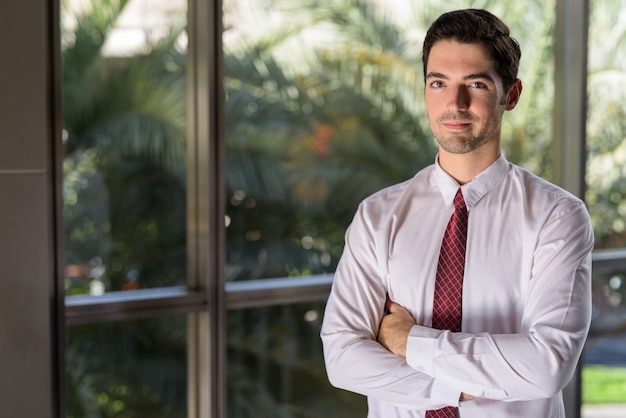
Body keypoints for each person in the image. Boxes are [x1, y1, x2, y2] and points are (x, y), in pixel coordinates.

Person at [320, 8, 594, 418]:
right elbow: (343, 357)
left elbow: (548, 364)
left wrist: (408, 340)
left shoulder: (557, 217)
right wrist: (461, 387)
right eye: (438, 83)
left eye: (477, 83)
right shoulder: (378, 216)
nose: (455, 102)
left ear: (511, 95)